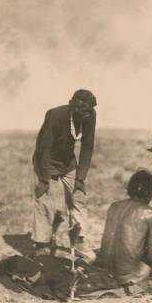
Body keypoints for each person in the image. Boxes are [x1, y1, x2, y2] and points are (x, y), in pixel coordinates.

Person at [32, 89, 97, 260]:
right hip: (46, 162)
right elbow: (42, 148)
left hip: (67, 163)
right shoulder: (55, 116)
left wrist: (80, 178)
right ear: (75, 107)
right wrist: (44, 179)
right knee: (45, 201)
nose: (88, 115)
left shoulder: (90, 116)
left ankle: (79, 240)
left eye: (90, 111)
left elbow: (87, 147)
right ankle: (42, 246)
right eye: (85, 111)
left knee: (79, 198)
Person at [99, 169, 152, 285]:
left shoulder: (113, 207)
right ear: (150, 192)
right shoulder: (151, 213)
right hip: (129, 278)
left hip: (105, 273)